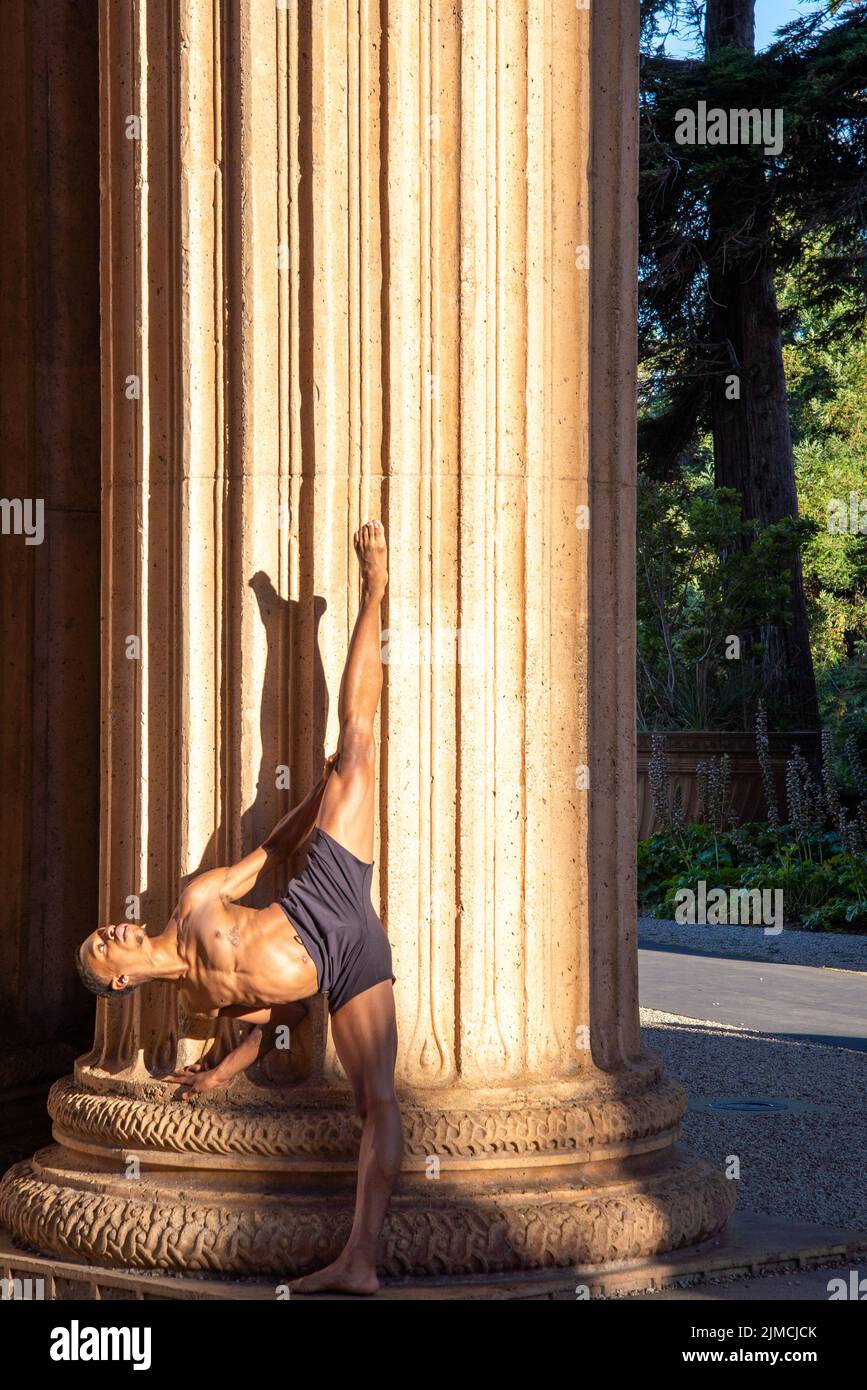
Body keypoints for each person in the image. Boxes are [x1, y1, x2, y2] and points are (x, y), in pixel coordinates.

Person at [75, 520, 401, 1295]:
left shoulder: (191, 900)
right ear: (119, 983)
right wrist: (223, 1073)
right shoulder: (195, 1003)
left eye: (101, 930)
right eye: (103, 947)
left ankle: (372, 590)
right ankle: (361, 1259)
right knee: (377, 1103)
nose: (113, 931)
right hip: (349, 963)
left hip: (327, 886)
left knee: (356, 741)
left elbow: (269, 854)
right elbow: (269, 1023)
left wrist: (321, 795)